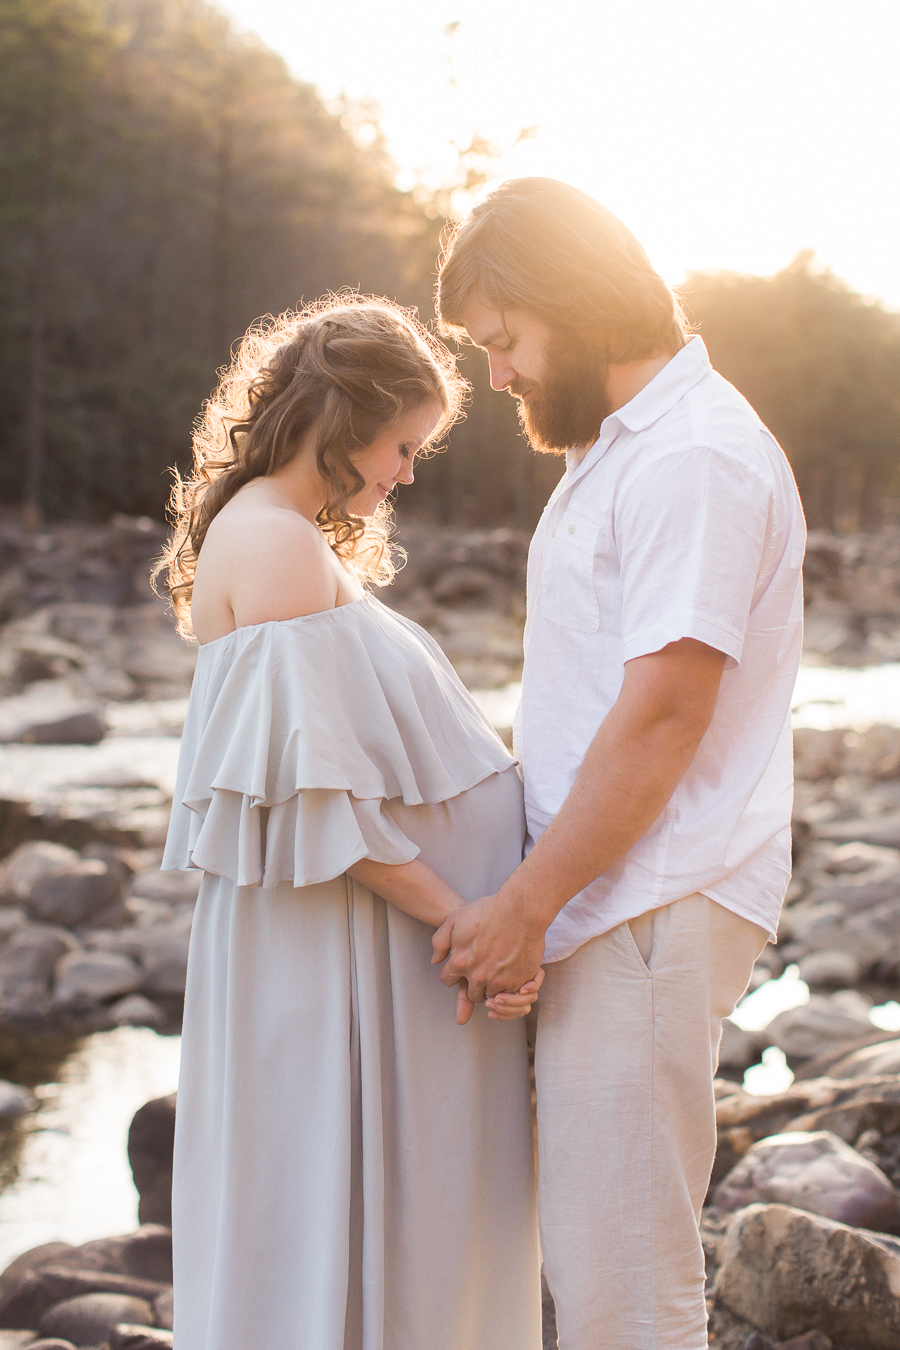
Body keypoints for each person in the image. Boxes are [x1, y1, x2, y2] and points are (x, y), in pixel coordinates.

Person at [434, 178, 807, 1350]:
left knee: (625, 1300)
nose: (498, 376)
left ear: (571, 300)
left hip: (645, 902)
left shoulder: (694, 456)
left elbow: (662, 716)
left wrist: (527, 908)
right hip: (615, 903)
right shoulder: (623, 449)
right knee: (603, 1284)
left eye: (504, 341)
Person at [155, 297, 543, 1350]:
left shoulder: (279, 540)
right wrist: (469, 924)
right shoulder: (277, 548)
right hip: (362, 963)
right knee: (355, 1221)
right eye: (403, 443)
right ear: (344, 416)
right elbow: (325, 807)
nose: (407, 472)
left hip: (377, 959)